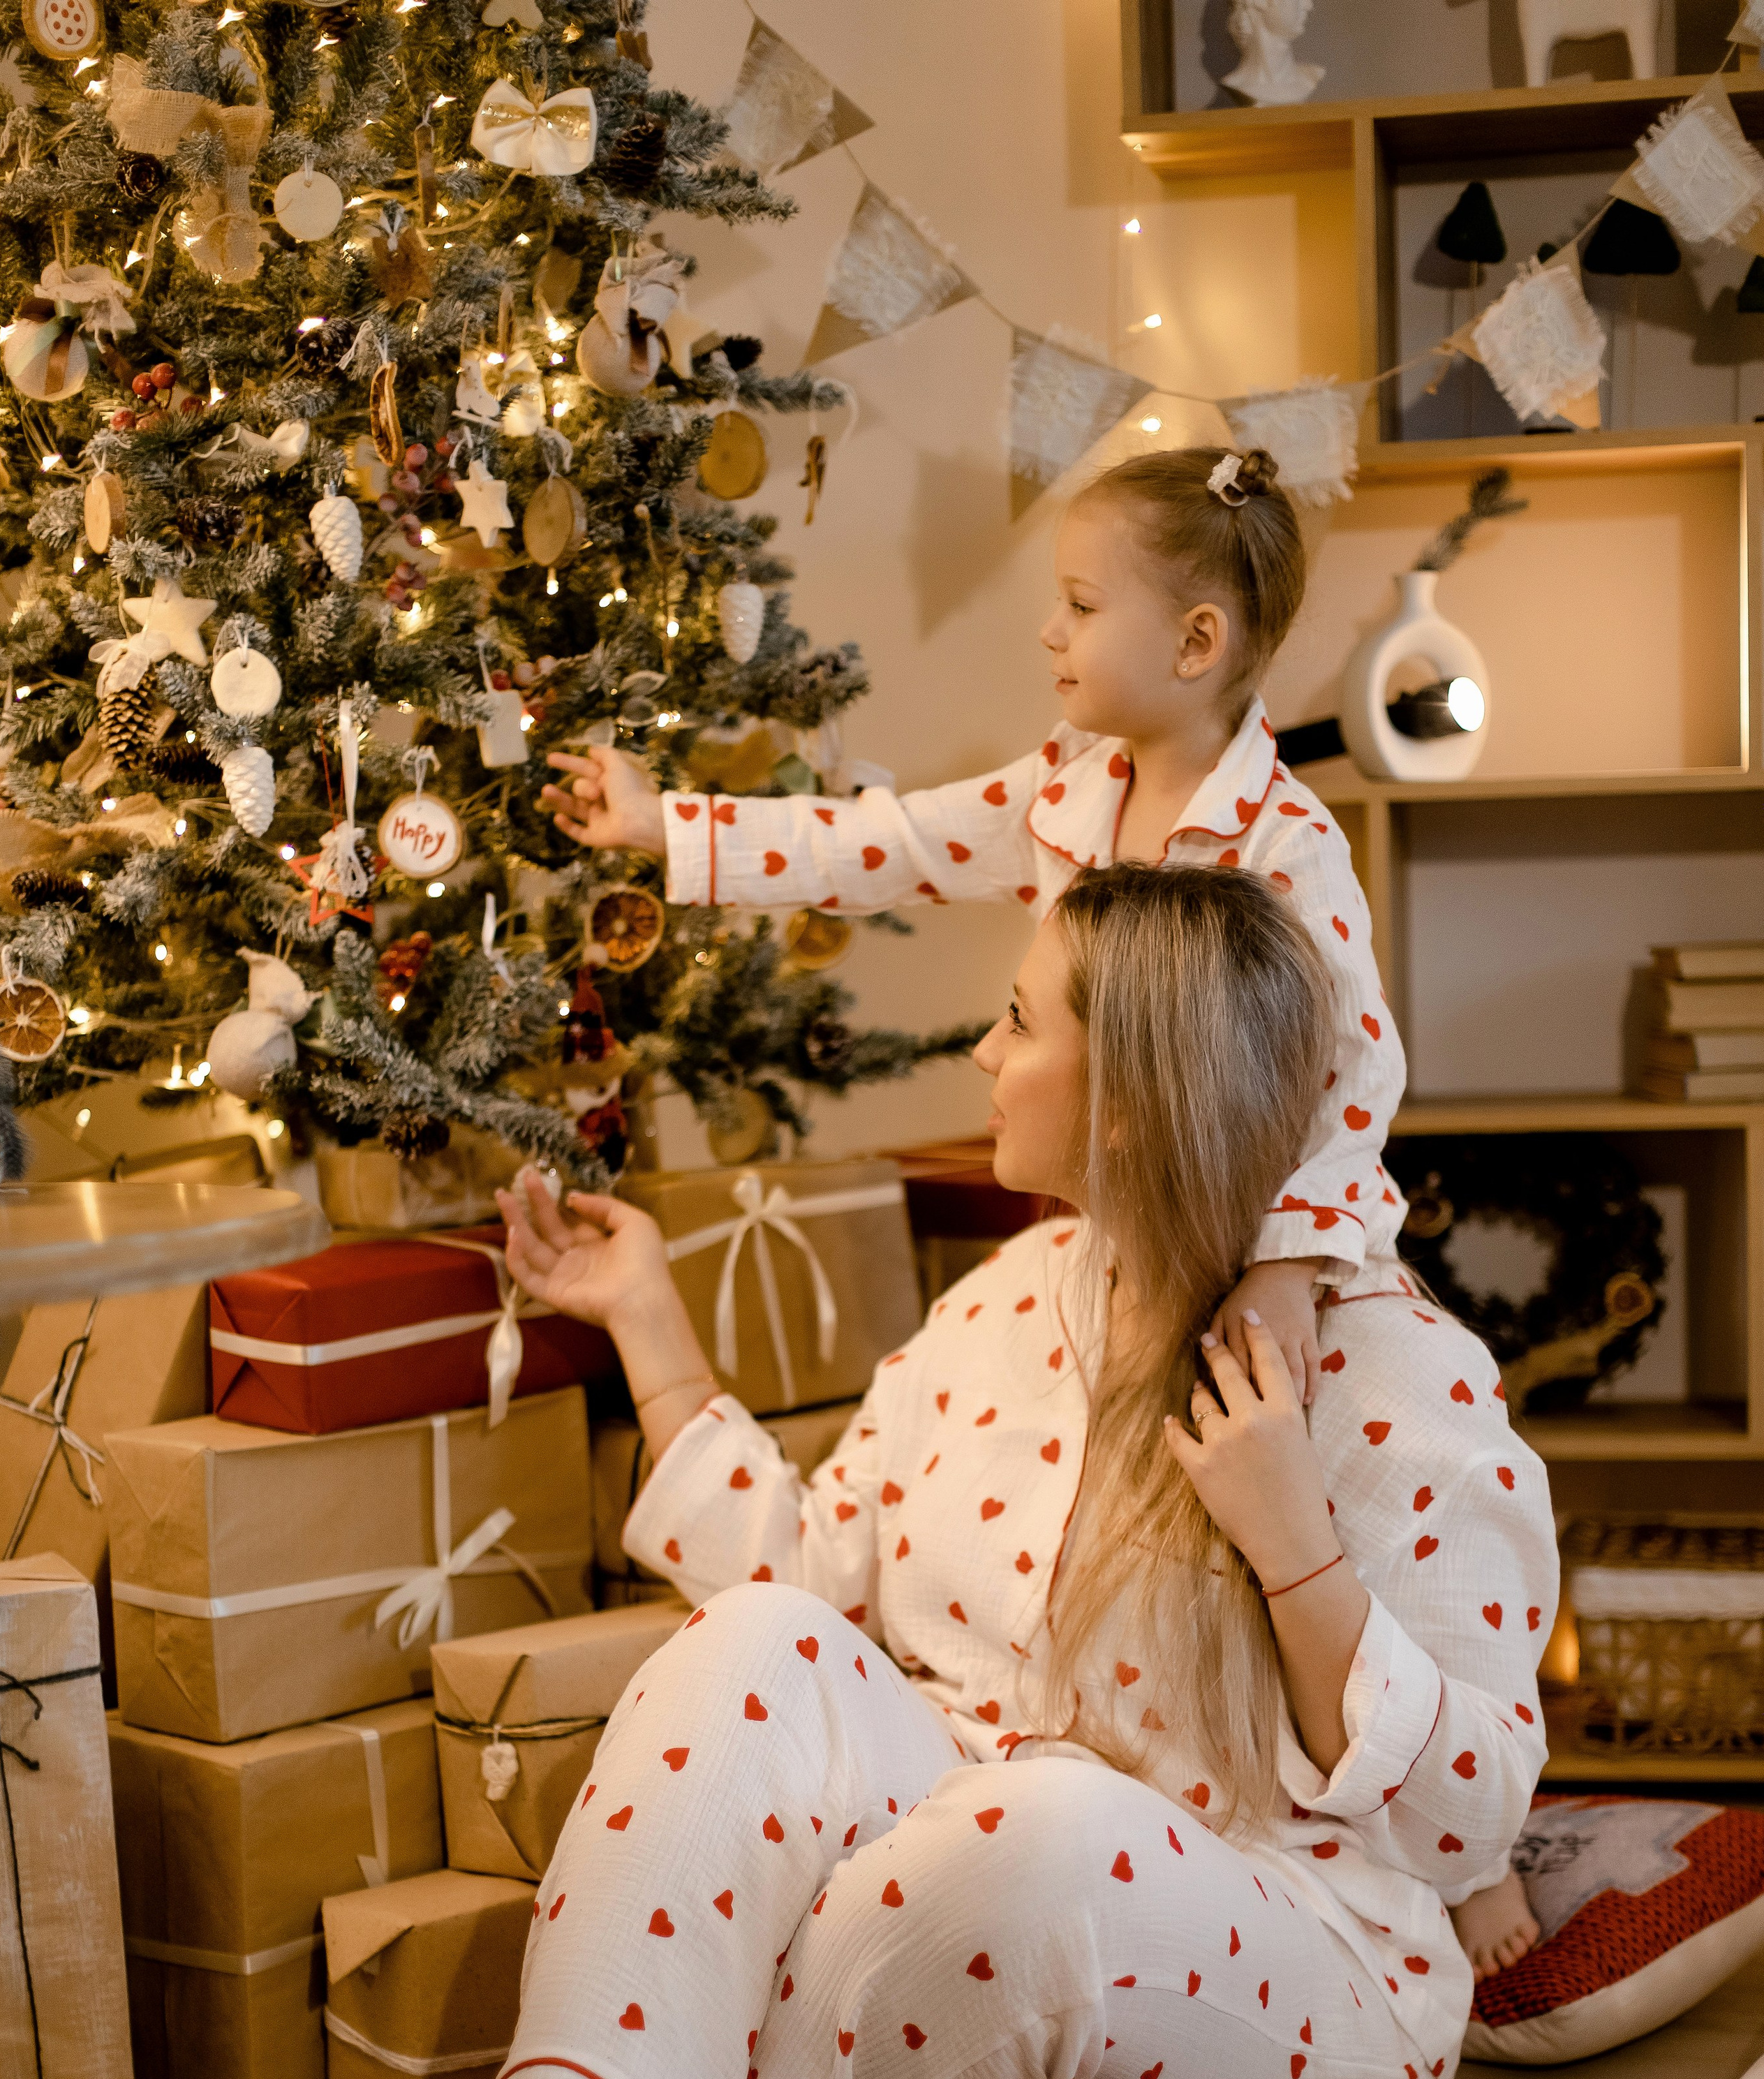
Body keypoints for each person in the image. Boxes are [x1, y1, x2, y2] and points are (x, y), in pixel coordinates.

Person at [255, 862, 1556, 2079]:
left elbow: (1465, 1816)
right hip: (957, 1919)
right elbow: (800, 1580)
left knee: (1048, 1830)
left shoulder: (1393, 1376)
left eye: (1019, 1022)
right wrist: (645, 1320)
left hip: (1272, 1998)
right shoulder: (1007, 1308)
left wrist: (1292, 1544)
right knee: (759, 1647)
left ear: (1127, 1096)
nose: (984, 1050)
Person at [540, 443, 1399, 1412]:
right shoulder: (1070, 789)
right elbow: (895, 843)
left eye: (1081, 606)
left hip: (1256, 1261)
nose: (1049, 631)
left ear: (1196, 643)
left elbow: (1357, 1072)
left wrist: (1286, 1268)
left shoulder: (1289, 846)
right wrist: (667, 825)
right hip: (1125, 1252)